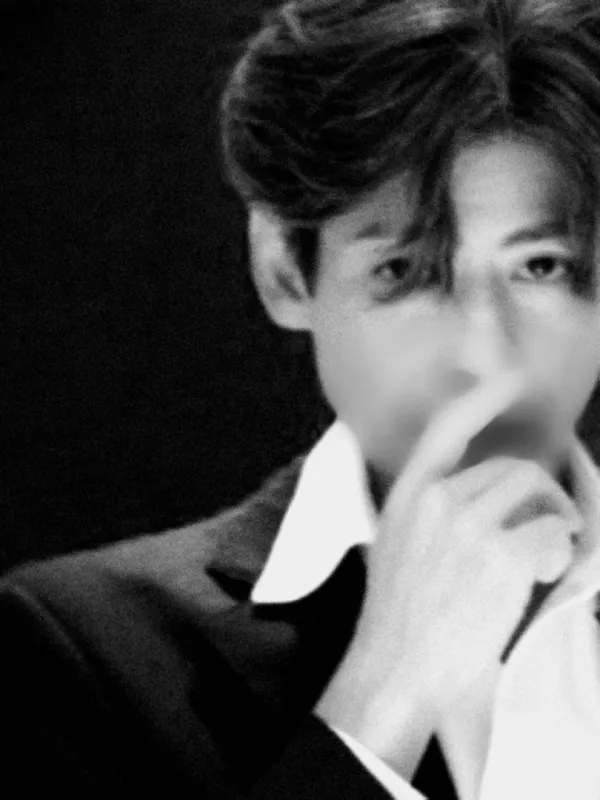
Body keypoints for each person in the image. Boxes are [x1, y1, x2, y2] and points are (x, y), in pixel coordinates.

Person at [3, 0, 600, 797]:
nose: (484, 350)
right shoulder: (83, 653)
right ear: (284, 268)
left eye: (542, 265)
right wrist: (387, 688)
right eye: (405, 270)